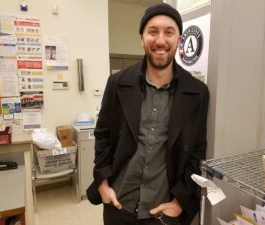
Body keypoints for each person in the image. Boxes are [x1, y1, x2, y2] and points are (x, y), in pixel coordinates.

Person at [87, 3, 209, 225]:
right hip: (119, 205)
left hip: (163, 212)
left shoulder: (197, 93)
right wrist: (103, 183)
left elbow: (197, 153)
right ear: (142, 37)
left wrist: (180, 200)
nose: (160, 40)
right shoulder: (117, 83)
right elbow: (103, 136)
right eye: (153, 31)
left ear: (179, 40)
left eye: (169, 32)